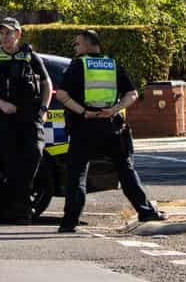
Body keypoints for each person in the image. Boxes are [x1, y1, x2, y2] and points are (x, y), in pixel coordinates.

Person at [55, 29, 166, 233]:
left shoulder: (78, 65)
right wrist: (114, 110)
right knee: (126, 171)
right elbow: (132, 94)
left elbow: (61, 94)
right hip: (112, 127)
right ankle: (145, 211)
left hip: (84, 129)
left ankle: (70, 221)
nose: (75, 48)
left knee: (77, 175)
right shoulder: (113, 64)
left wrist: (84, 111)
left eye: (77, 44)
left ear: (88, 45)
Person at [0, 17, 51, 223]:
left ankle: (21, 204)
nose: (5, 37)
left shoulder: (30, 56)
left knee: (34, 154)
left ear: (18, 34)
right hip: (5, 118)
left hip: (30, 117)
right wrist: (0, 104)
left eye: (9, 33)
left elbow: (46, 83)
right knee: (11, 163)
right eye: (2, 33)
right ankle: (20, 208)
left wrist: (43, 109)